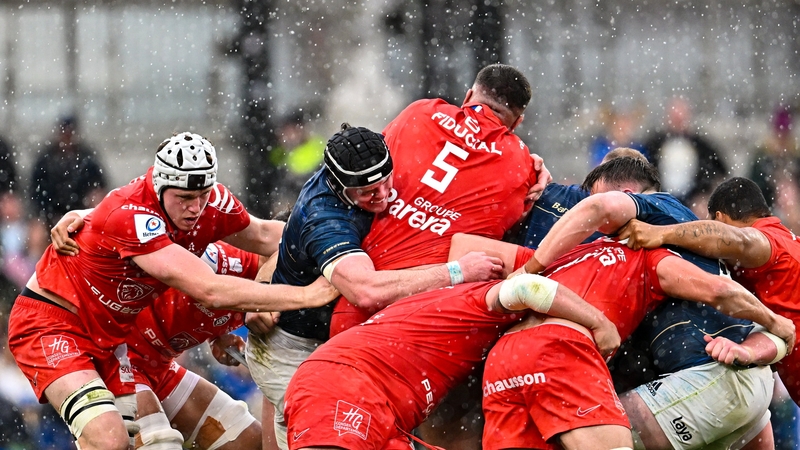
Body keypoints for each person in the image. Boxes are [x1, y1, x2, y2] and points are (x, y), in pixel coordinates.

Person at [7, 131, 337, 450]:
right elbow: (209, 289)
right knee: (116, 440)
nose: (196, 208)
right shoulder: (140, 221)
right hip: (56, 325)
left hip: (118, 345)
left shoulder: (211, 206)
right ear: (160, 186)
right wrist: (309, 295)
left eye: (203, 196)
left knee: (245, 442)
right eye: (184, 198)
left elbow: (270, 234)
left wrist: (336, 253)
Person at [456, 154, 788, 448]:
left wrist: (530, 270)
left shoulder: (652, 239)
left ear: (625, 197)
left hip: (708, 375)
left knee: (586, 430)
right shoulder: (632, 250)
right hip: (730, 381)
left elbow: (719, 290)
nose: (592, 227)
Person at [244, 124, 505, 449]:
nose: (383, 196)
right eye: (368, 192)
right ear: (340, 188)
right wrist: (457, 271)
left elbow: (284, 239)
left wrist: (523, 165)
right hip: (295, 350)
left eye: (386, 182)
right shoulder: (326, 220)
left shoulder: (366, 156)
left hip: (345, 344)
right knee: (328, 437)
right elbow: (365, 290)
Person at [284, 275, 620, 450]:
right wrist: (600, 323)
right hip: (347, 384)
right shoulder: (476, 301)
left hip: (385, 409)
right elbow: (529, 287)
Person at [619, 176, 800, 408]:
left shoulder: (770, 244)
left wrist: (660, 233)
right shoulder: (789, 243)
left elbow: (741, 241)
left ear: (720, 219)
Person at [642, 97, 727, 216]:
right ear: (668, 118)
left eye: (682, 118)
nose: (679, 122)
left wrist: (705, 197)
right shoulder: (654, 143)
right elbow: (642, 171)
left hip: (692, 203)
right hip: (660, 201)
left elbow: (720, 171)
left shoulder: (702, 145)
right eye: (675, 118)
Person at [29, 116, 108, 229]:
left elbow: (99, 188)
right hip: (49, 216)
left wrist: (90, 203)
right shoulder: (46, 159)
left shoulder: (87, 157)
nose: (67, 138)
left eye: (69, 134)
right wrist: (47, 214)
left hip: (82, 215)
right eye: (64, 133)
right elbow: (36, 191)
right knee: (37, 232)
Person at [748, 105, 800, 233]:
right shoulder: (762, 158)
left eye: (784, 136)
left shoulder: (795, 157)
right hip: (770, 209)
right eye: (779, 135)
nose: (781, 140)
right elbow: (753, 188)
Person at [269, 110, 327, 215]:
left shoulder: (316, 150)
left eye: (291, 130)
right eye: (284, 131)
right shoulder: (278, 154)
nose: (287, 135)